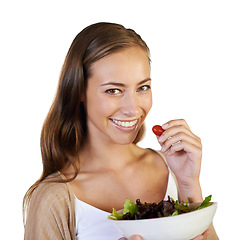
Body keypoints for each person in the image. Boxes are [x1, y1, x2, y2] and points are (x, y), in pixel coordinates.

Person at [23, 22, 219, 240]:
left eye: (142, 87)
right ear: (78, 90)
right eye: (113, 90)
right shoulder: (54, 198)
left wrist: (188, 184)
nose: (133, 109)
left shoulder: (172, 168)